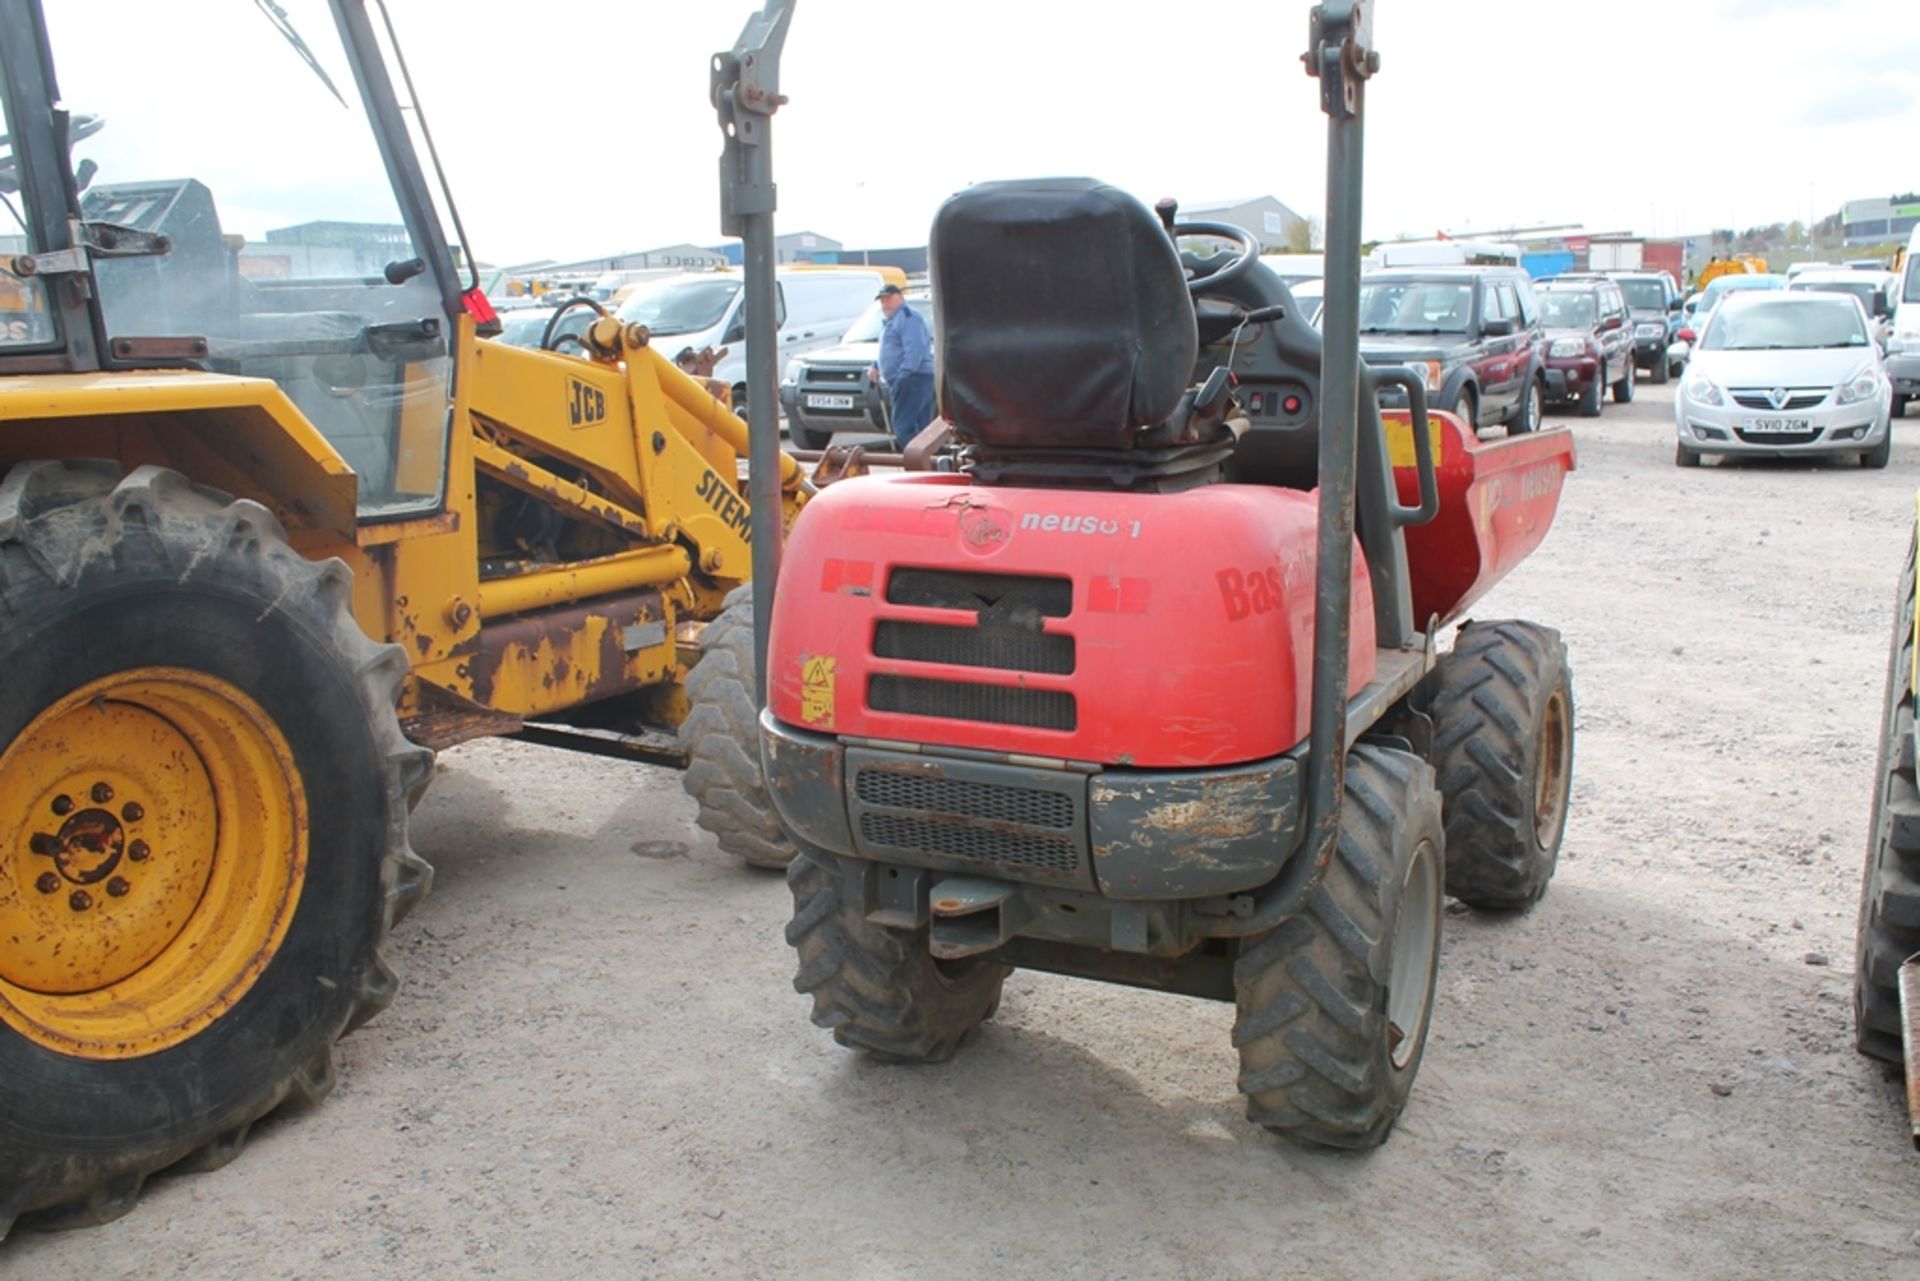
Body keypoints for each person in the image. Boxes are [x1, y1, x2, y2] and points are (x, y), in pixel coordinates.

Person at [871, 284, 935, 447]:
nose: (885, 304)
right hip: (910, 378)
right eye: (883, 300)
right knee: (921, 429)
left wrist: (904, 374)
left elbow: (915, 348)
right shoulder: (892, 320)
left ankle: (917, 462)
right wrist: (876, 366)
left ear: (900, 297)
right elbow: (891, 348)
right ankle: (926, 462)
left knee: (904, 428)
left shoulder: (908, 317)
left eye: (889, 299)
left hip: (914, 378)